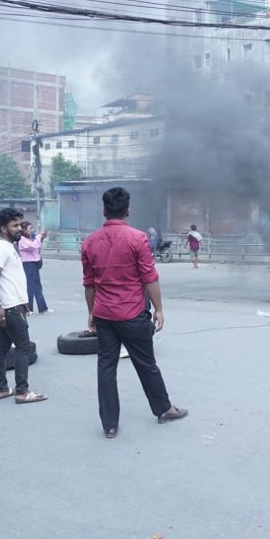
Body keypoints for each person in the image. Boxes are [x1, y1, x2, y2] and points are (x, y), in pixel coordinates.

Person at [82, 187, 187, 439]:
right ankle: (164, 409)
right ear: (127, 211)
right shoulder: (137, 238)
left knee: (106, 367)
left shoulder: (90, 242)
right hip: (132, 313)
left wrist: (91, 314)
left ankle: (109, 424)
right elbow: (149, 277)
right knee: (146, 364)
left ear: (104, 211)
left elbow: (89, 283)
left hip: (105, 314)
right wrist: (159, 309)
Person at [0, 208, 47, 404]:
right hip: (9, 307)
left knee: (3, 348)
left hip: (13, 305)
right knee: (23, 348)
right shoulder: (0, 247)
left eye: (19, 225)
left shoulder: (8, 247)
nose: (19, 229)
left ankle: (2, 389)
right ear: (4, 228)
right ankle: (22, 391)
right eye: (14, 226)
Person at [19, 221, 52, 314]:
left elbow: (37, 247)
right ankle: (28, 309)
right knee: (30, 288)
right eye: (30, 228)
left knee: (37, 287)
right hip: (28, 264)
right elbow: (33, 246)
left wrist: (41, 238)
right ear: (24, 230)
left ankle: (43, 308)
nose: (32, 230)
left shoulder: (29, 238)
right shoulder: (21, 239)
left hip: (34, 263)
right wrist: (38, 236)